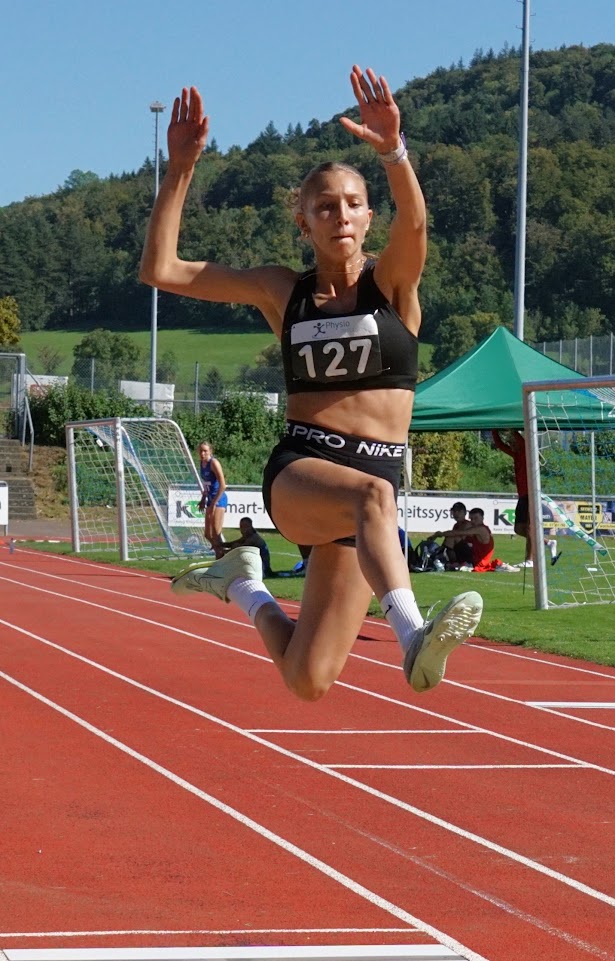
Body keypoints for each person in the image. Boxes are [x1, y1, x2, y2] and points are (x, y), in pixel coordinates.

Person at [140, 67, 483, 700]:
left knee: (308, 678)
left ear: (370, 217)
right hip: (304, 469)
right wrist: (181, 167)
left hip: (372, 485)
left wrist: (393, 151)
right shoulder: (282, 291)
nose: (340, 216)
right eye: (325, 206)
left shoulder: (393, 285)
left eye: (352, 204)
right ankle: (413, 635)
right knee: (373, 496)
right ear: (304, 223)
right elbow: (161, 268)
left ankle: (241, 582)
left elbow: (416, 223)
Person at [491, 429, 559, 568]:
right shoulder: (515, 454)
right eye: (510, 443)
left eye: (513, 442)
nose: (511, 444)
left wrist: (512, 430)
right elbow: (499, 445)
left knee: (529, 528)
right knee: (518, 529)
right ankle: (548, 542)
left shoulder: (526, 452)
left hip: (531, 494)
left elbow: (522, 441)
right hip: (522, 496)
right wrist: (494, 430)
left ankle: (530, 560)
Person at [197, 441, 228, 557]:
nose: (202, 453)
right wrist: (203, 499)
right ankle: (221, 552)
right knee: (207, 534)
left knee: (216, 533)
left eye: (205, 451)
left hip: (218, 499)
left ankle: (221, 557)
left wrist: (214, 503)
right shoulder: (202, 463)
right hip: (210, 499)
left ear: (210, 451)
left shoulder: (214, 463)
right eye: (201, 451)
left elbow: (223, 485)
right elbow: (206, 483)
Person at [429, 502, 473, 569]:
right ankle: (447, 560)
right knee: (450, 538)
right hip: (460, 552)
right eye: (454, 511)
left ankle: (438, 557)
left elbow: (457, 535)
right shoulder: (456, 525)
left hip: (470, 553)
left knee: (452, 537)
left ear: (465, 513)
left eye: (459, 511)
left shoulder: (467, 524)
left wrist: (440, 534)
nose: (456, 514)